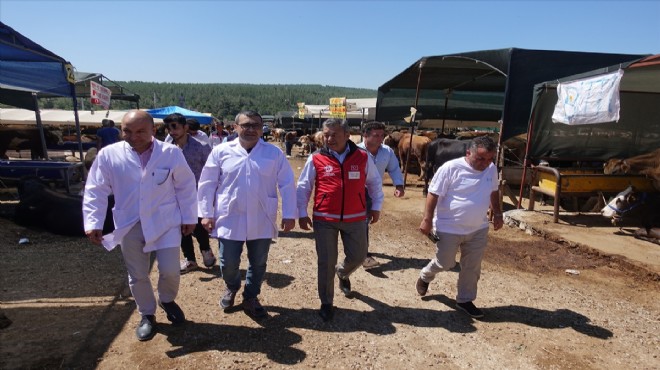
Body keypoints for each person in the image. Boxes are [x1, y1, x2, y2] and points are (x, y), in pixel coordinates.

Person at [82, 110, 198, 341]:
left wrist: (189, 217)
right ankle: (147, 314)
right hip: (129, 223)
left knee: (170, 270)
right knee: (137, 274)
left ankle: (166, 299)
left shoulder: (170, 153)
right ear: (121, 130)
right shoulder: (109, 155)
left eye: (140, 131)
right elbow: (96, 189)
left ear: (154, 131)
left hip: (165, 221)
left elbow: (185, 186)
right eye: (127, 131)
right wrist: (93, 221)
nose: (133, 136)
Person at [198, 110, 296, 319]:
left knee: (258, 261)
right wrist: (206, 213)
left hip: (262, 215)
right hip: (229, 216)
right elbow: (207, 183)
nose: (251, 129)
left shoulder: (273, 153)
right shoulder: (221, 151)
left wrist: (289, 214)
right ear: (235, 127)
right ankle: (232, 286)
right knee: (228, 262)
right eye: (246, 125)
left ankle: (251, 296)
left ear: (262, 129)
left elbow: (287, 184)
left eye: (256, 125)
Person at [296, 118, 384, 322]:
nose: (329, 138)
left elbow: (374, 183)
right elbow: (304, 187)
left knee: (359, 256)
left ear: (347, 135)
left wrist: (376, 207)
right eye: (326, 134)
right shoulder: (316, 158)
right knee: (326, 262)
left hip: (356, 217)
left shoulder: (362, 157)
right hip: (325, 218)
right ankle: (326, 302)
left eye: (334, 134)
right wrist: (301, 212)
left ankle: (342, 273)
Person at [416, 135, 503, 319]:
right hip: (449, 227)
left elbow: (494, 190)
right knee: (445, 263)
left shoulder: (491, 169)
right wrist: (427, 219)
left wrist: (498, 213)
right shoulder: (450, 168)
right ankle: (426, 275)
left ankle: (465, 300)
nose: (485, 163)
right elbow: (433, 194)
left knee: (472, 267)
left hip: (478, 228)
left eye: (489, 159)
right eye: (480, 158)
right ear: (468, 152)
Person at [162, 113, 215, 274]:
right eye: (169, 128)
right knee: (180, 227)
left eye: (175, 127)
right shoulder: (166, 149)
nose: (172, 131)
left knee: (198, 225)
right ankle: (190, 259)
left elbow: (212, 170)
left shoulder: (201, 147)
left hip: (197, 194)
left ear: (185, 128)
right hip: (174, 195)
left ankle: (205, 250)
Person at [357, 121, 405, 269]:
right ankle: (363, 255)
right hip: (357, 191)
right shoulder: (355, 151)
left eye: (382, 135)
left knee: (364, 221)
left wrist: (399, 185)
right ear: (365, 135)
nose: (380, 138)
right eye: (376, 135)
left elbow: (394, 168)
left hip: (374, 192)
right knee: (362, 221)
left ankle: (360, 252)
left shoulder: (387, 151)